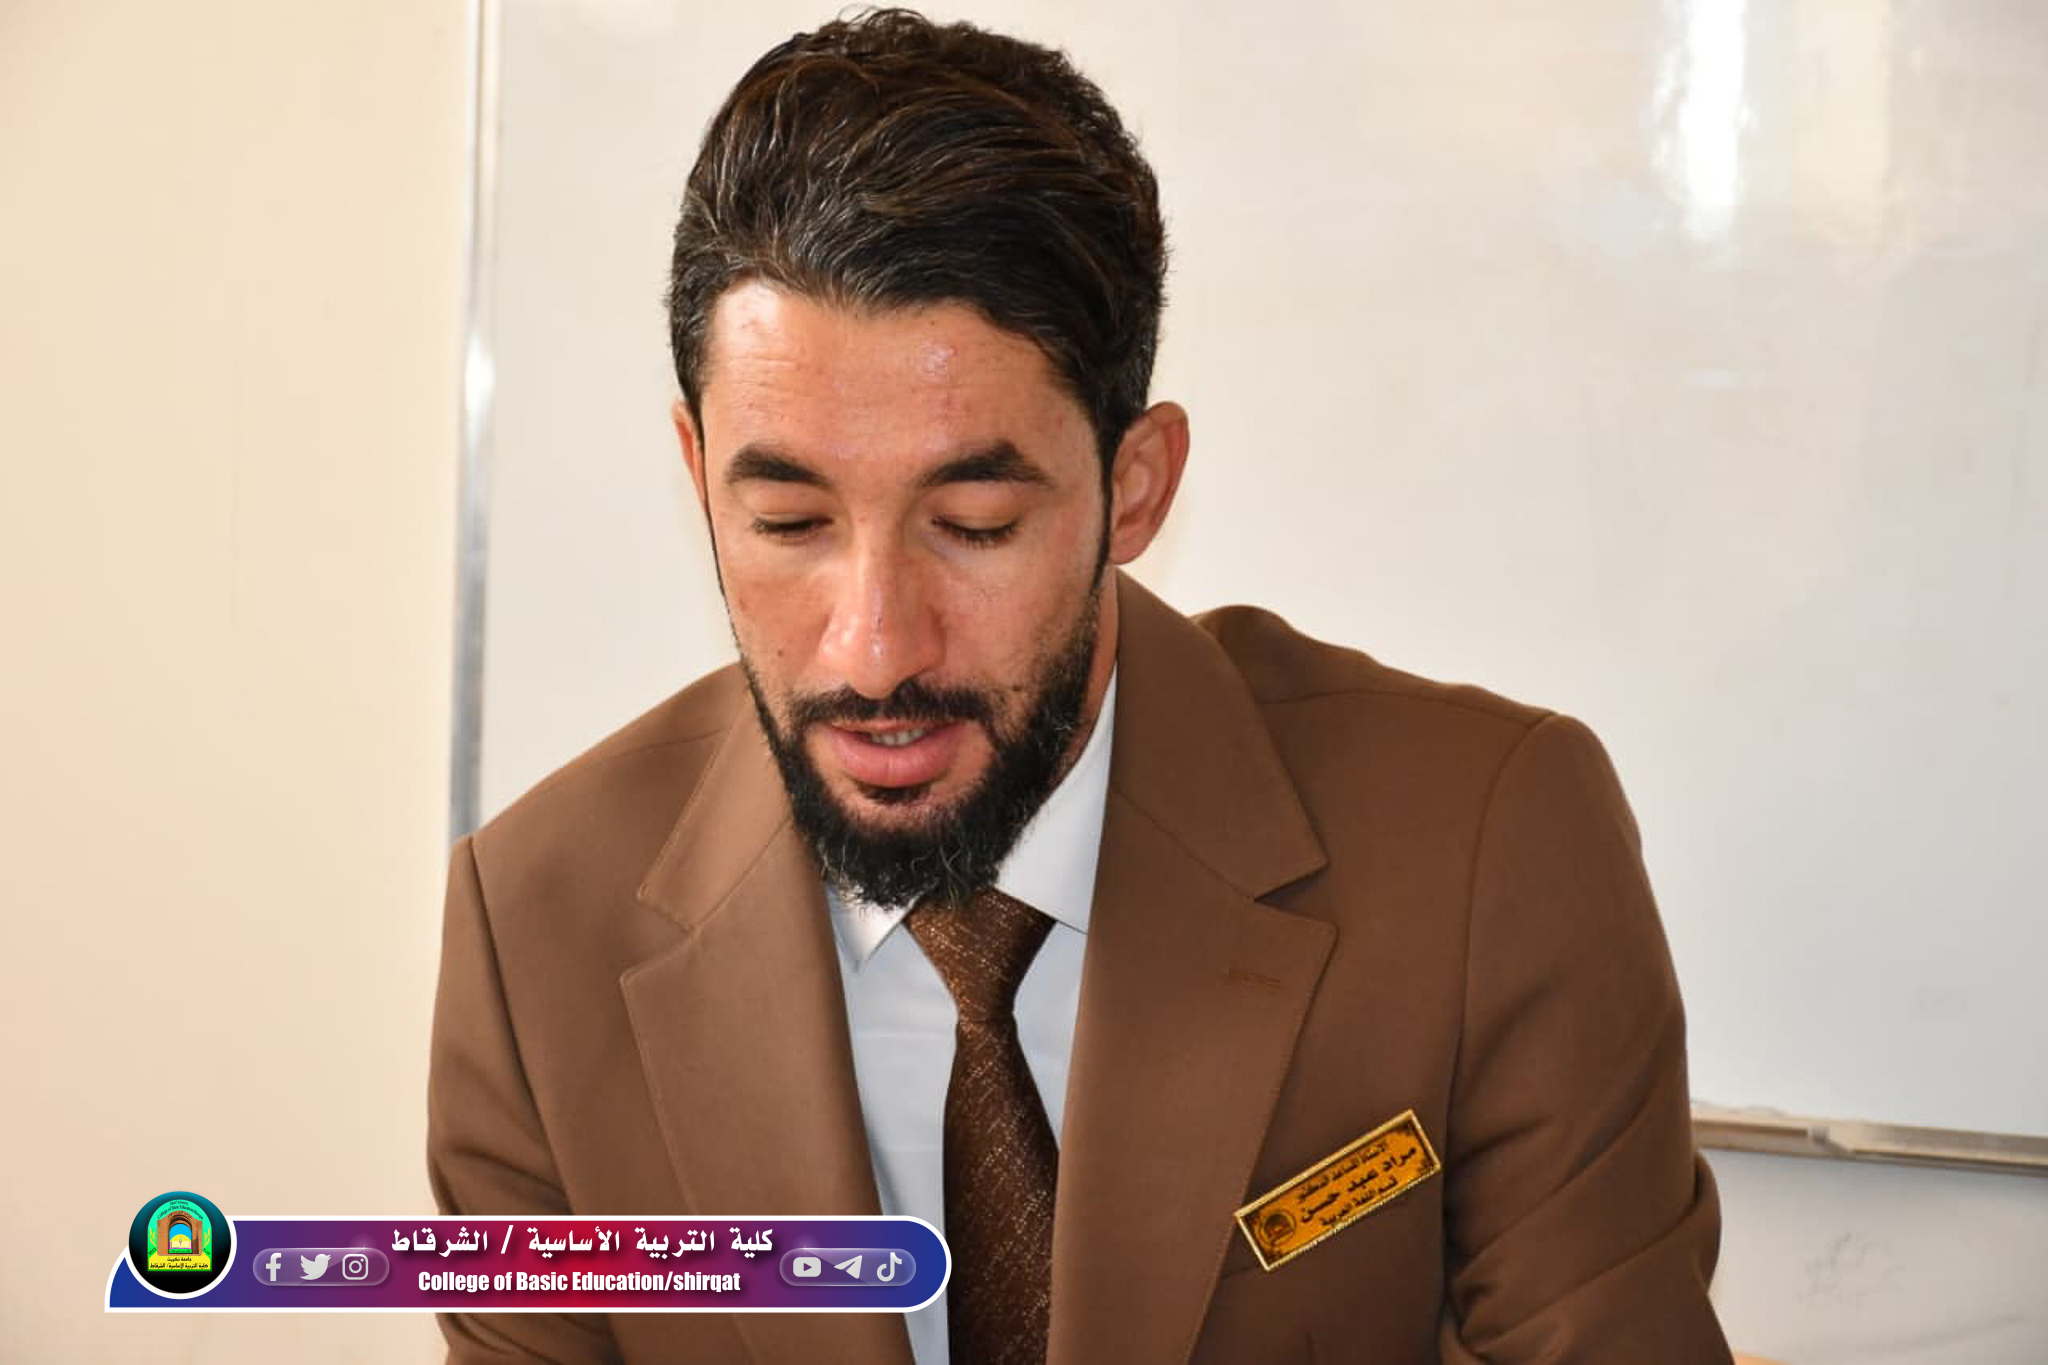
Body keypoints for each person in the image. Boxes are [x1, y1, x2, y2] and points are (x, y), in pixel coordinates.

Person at [427, 10, 1734, 1363]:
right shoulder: (539, 939)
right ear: (699, 472)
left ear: (1136, 486)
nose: (872, 651)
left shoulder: (1487, 848)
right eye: (790, 523)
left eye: (975, 525)